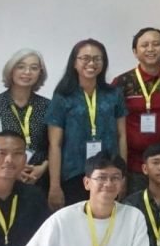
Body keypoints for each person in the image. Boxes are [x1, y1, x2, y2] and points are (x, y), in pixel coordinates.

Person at [11, 152, 152, 246]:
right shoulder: (62, 219)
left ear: (122, 183)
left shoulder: (133, 217)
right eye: (101, 177)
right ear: (87, 183)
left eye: (115, 178)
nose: (108, 183)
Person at [46, 39, 127, 209]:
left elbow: (122, 136)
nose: (91, 63)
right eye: (85, 58)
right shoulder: (62, 96)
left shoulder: (114, 94)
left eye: (97, 58)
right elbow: (55, 144)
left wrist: (123, 177)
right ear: (74, 63)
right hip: (73, 173)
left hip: (109, 172)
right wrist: (54, 185)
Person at [110, 28, 160, 194]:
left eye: (156, 44)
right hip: (134, 165)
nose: (150, 49)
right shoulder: (122, 82)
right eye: (144, 45)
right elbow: (113, 125)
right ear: (135, 51)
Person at [0, 49, 50, 188]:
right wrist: (15, 170)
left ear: (40, 73)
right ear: (11, 70)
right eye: (21, 67)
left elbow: (56, 144)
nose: (27, 72)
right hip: (4, 178)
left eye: (34, 68)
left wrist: (43, 167)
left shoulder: (48, 105)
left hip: (39, 179)